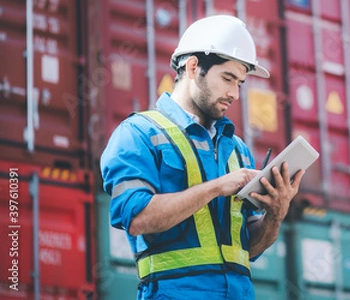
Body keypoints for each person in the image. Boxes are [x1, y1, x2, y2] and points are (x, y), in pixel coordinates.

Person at [100, 15, 305, 299]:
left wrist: (276, 214)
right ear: (194, 67)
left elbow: (247, 249)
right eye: (227, 78)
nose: (234, 93)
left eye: (240, 83)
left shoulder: (237, 150)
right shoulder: (139, 133)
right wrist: (217, 186)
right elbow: (137, 218)